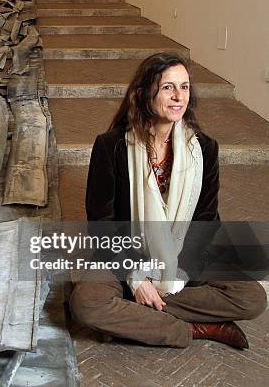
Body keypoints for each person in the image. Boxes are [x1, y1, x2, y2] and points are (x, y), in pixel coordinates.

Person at [68, 52, 266, 349]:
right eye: (167, 87)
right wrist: (135, 277)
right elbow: (102, 227)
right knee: (86, 304)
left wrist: (180, 273)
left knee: (252, 297)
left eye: (184, 87)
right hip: (125, 257)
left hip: (181, 258)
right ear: (145, 93)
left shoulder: (204, 150)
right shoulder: (111, 147)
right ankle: (195, 329)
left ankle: (134, 315)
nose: (178, 97)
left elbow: (206, 223)